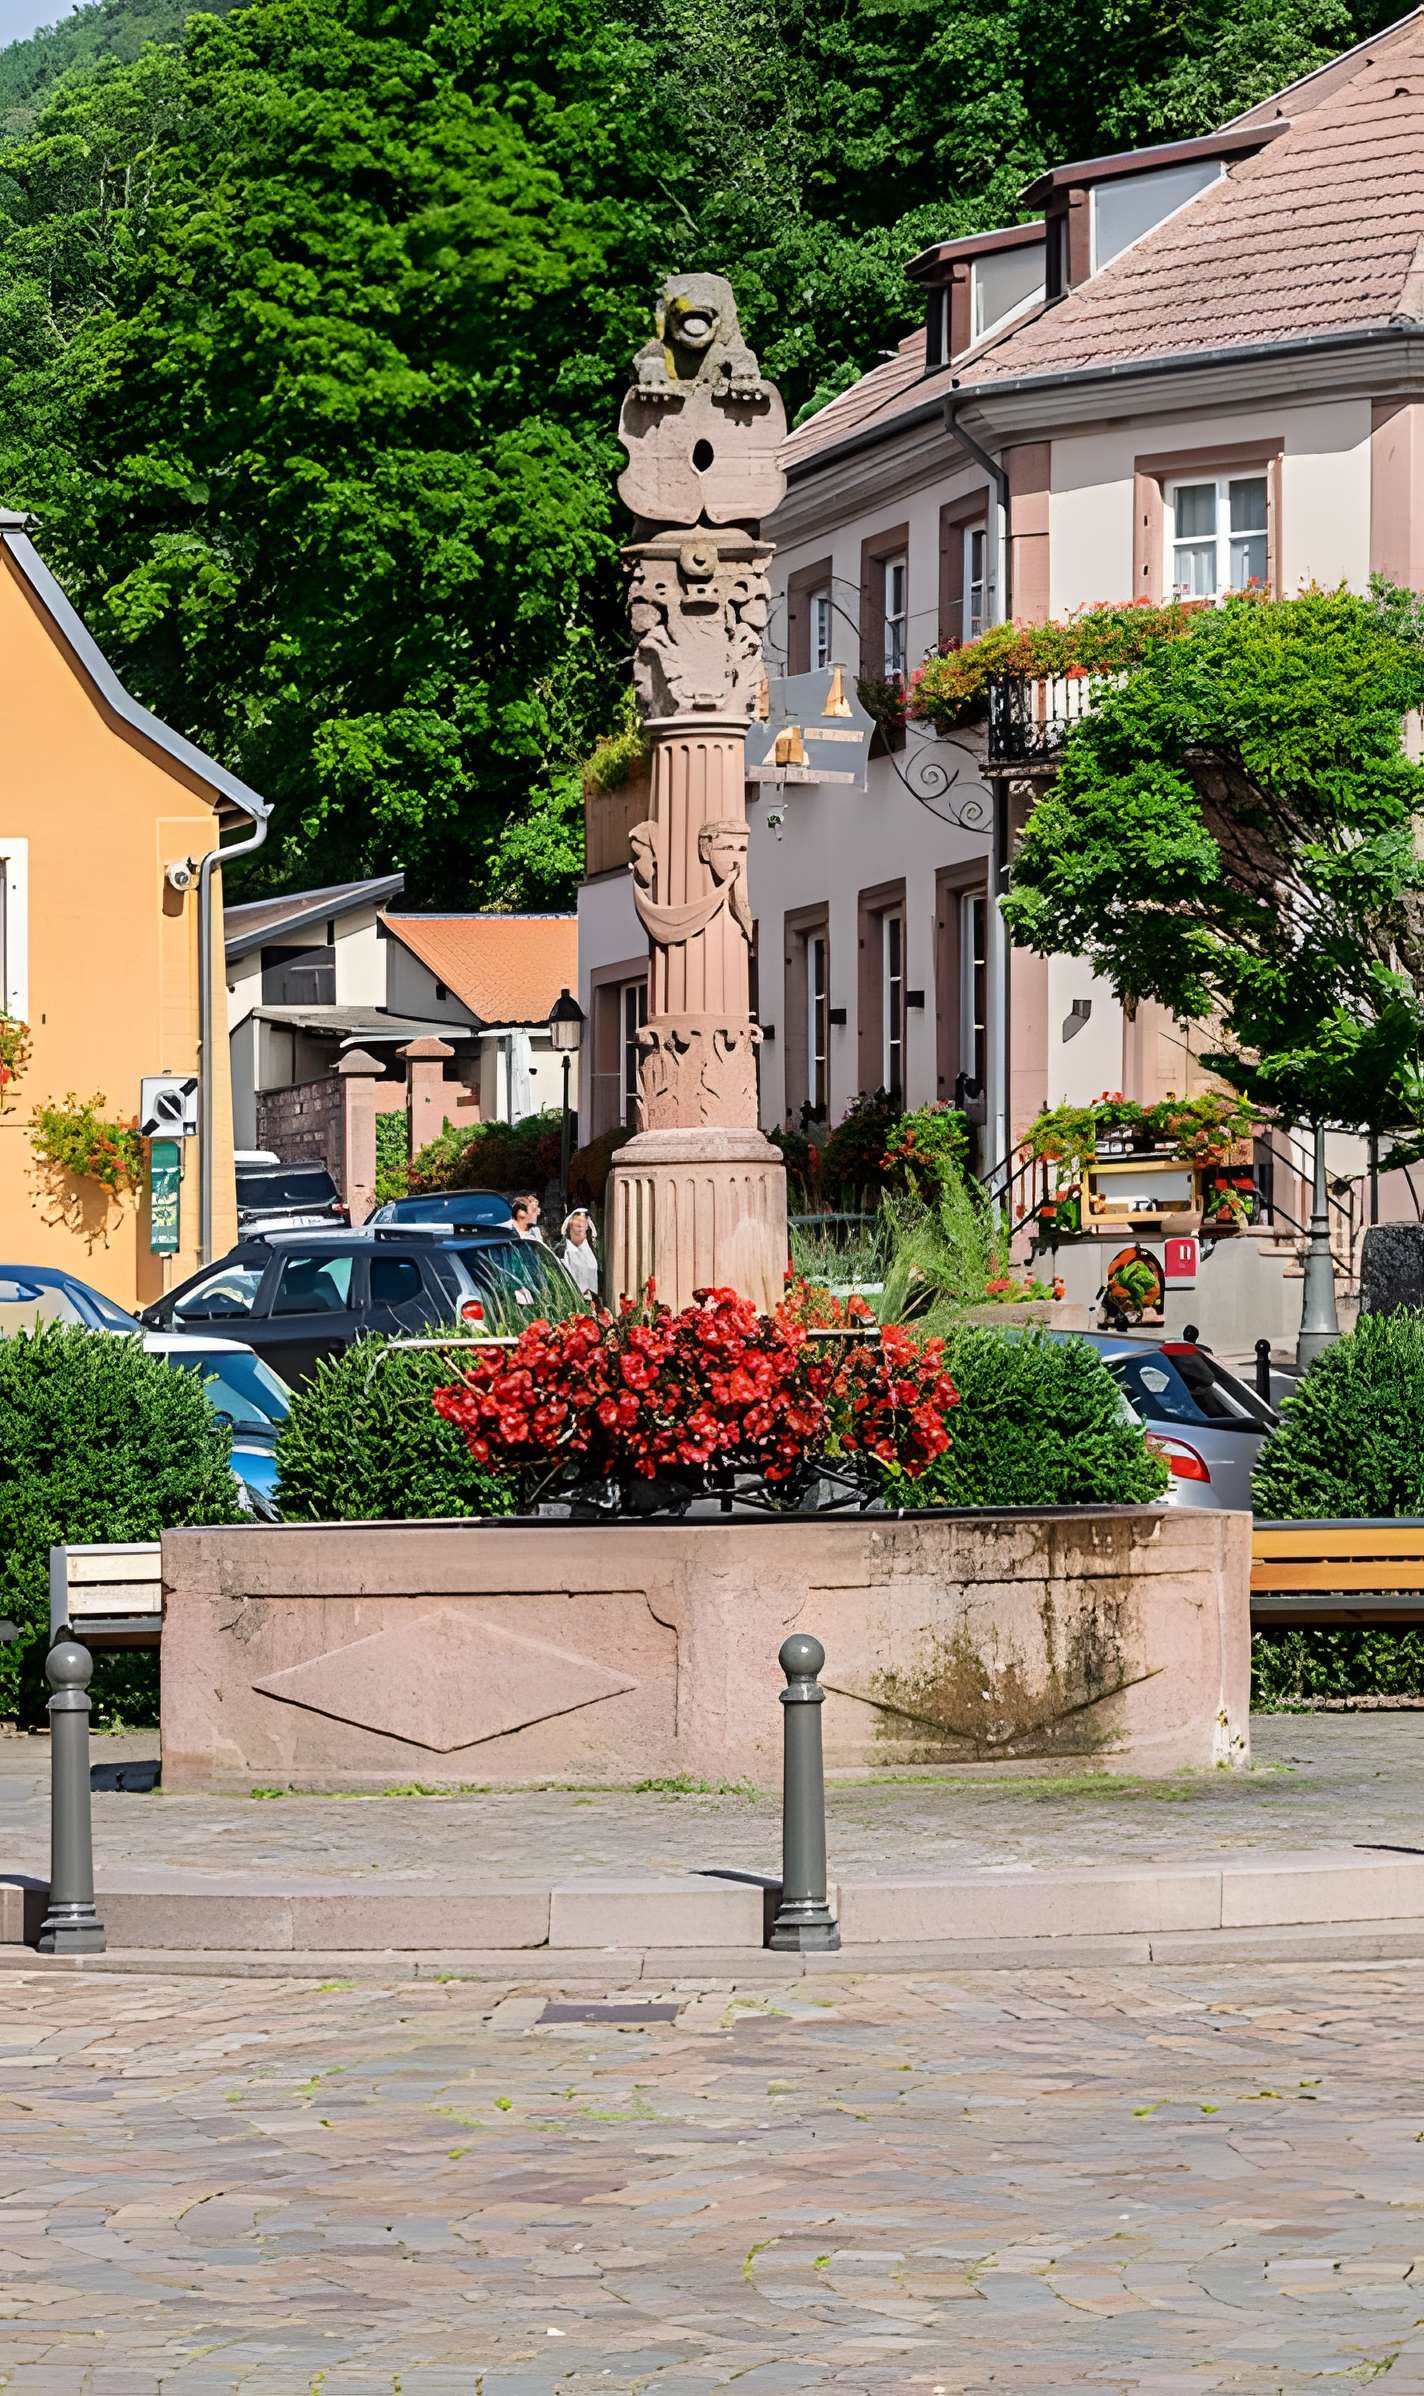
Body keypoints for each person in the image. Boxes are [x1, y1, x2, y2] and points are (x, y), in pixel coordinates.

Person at [559, 1208, 601, 1297]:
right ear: (570, 1225)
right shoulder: (563, 1251)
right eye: (577, 1222)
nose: (580, 1225)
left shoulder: (591, 1251)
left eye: (583, 1223)